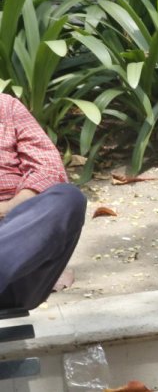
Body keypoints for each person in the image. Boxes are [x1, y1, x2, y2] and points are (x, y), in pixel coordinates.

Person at [0, 94, 87, 311]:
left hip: (18, 249)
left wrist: (9, 207)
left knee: (68, 198)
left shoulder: (6, 107)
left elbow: (49, 169)